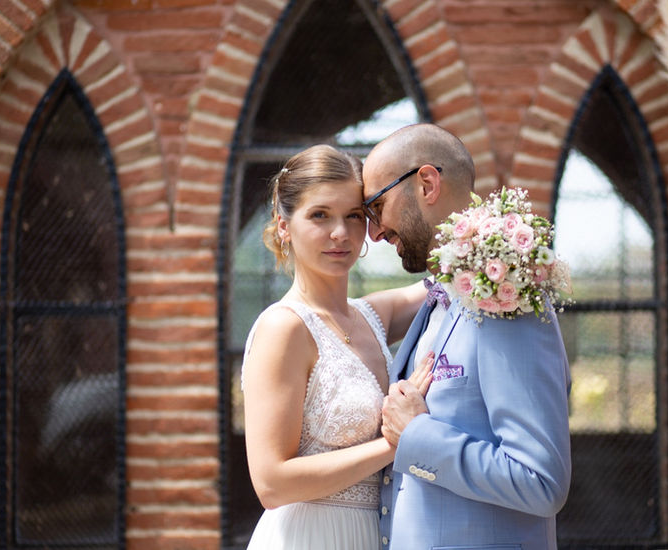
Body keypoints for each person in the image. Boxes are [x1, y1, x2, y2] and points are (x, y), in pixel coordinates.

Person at [362, 124, 572, 549]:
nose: (374, 232)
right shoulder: (438, 298)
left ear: (426, 183)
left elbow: (541, 481)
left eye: (376, 206)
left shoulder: (504, 296)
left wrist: (417, 435)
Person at [241, 144, 433, 550]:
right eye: (319, 215)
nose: (340, 234)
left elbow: (448, 279)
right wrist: (395, 442)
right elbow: (271, 483)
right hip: (308, 537)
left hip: (376, 535)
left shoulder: (371, 316)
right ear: (283, 225)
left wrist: (503, 246)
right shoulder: (284, 328)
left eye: (354, 216)